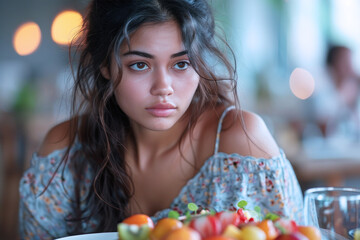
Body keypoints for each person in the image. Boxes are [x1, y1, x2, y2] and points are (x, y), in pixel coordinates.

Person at [19, 0, 303, 239]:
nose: (163, 87)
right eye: (139, 65)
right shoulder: (65, 155)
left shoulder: (241, 144)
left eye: (181, 64)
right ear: (105, 64)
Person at [312, 45, 360, 140]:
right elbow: (323, 122)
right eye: (345, 60)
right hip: (327, 145)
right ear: (333, 63)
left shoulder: (351, 86)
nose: (349, 66)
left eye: (350, 60)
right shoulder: (320, 86)